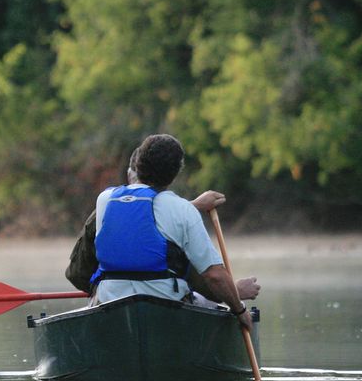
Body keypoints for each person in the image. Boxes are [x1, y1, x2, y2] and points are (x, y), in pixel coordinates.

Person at [65, 134, 258, 331]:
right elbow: (214, 276)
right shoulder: (182, 210)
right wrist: (239, 310)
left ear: (138, 164)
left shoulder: (105, 200)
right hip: (167, 306)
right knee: (207, 303)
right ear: (175, 173)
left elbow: (141, 215)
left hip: (109, 302)